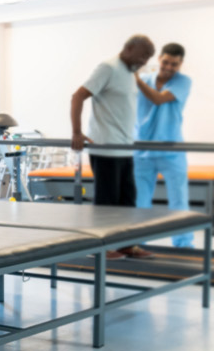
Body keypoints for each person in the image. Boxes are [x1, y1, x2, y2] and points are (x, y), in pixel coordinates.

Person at [70, 34, 156, 259]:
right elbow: (78, 97)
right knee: (106, 203)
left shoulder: (130, 73)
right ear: (128, 48)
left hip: (125, 147)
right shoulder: (107, 68)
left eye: (148, 58)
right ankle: (99, 247)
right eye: (143, 56)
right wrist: (77, 132)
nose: (145, 61)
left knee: (127, 202)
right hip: (106, 146)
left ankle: (125, 245)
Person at [134, 43, 194, 248]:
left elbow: (158, 99)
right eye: (166, 62)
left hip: (171, 150)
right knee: (140, 203)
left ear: (181, 64)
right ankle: (136, 243)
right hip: (141, 149)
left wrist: (135, 78)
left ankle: (183, 245)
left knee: (179, 202)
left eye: (174, 64)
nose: (169, 67)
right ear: (159, 59)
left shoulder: (183, 81)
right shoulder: (144, 79)